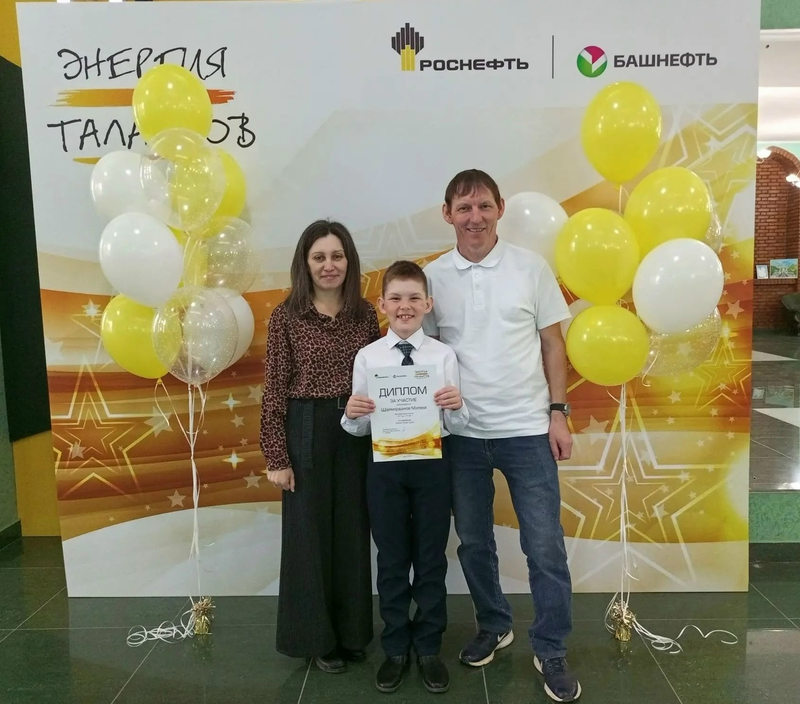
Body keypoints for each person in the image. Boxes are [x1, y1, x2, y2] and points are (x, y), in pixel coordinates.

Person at [422, 170, 581, 702]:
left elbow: (553, 344)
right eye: (464, 208)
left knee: (545, 546)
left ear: (500, 208)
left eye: (484, 206)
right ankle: (494, 624)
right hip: (462, 434)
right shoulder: (432, 278)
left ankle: (551, 647)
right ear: (447, 214)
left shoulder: (531, 268)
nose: (475, 217)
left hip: (528, 430)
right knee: (473, 543)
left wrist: (558, 413)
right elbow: (424, 355)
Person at [342, 260, 468, 695]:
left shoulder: (443, 356)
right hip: (385, 467)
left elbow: (455, 424)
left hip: (432, 464)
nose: (405, 306)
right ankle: (395, 647)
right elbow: (359, 428)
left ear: (428, 304)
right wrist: (351, 414)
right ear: (382, 305)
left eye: (414, 297)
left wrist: (456, 406)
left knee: (431, 558)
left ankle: (429, 646)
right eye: (395, 298)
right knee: (392, 559)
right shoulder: (368, 357)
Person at [260, 219, 379, 673]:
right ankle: (316, 639)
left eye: (337, 256)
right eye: (319, 257)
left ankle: (352, 633)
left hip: (356, 428)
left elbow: (381, 376)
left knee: (352, 530)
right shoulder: (286, 316)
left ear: (349, 261)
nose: (329, 265)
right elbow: (274, 389)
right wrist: (277, 456)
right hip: (305, 426)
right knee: (308, 535)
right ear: (305, 263)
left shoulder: (365, 314)